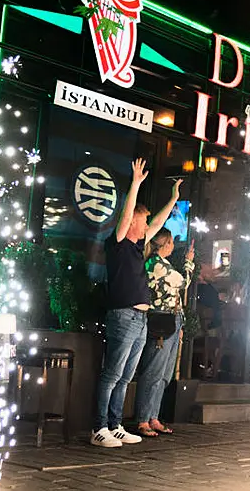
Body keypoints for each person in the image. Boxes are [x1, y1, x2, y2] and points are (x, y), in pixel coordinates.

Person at [92, 158, 183, 448]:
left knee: (125, 376)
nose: (146, 227)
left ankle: (116, 425)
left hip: (140, 319)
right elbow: (128, 214)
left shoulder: (136, 248)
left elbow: (157, 222)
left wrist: (173, 199)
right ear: (132, 221)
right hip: (123, 316)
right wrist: (135, 184)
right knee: (113, 374)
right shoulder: (118, 243)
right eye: (141, 222)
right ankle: (99, 427)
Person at [134, 232, 195, 437]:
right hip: (162, 321)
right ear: (165, 244)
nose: (172, 247)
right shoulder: (156, 265)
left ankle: (153, 416)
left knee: (164, 374)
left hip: (172, 320)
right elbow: (182, 282)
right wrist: (188, 263)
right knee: (154, 371)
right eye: (170, 243)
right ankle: (143, 418)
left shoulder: (161, 264)